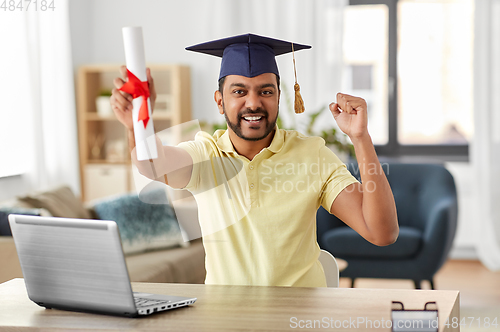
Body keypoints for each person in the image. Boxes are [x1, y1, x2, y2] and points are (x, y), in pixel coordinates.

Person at [110, 33, 398, 287]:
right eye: (239, 91)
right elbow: (152, 164)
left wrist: (360, 138)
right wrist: (137, 121)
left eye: (265, 91)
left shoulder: (312, 155)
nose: (253, 103)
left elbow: (381, 233)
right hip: (226, 318)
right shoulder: (207, 154)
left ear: (278, 97)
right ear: (219, 101)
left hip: (299, 317)